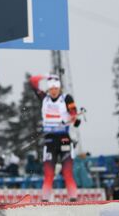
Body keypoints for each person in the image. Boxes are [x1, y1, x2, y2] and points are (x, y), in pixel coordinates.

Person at [29, 74, 81, 202]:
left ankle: (73, 198)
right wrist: (46, 76)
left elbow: (74, 113)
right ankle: (45, 199)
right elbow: (33, 81)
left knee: (67, 172)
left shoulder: (66, 98)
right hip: (49, 139)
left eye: (55, 88)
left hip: (64, 138)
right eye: (51, 88)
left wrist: (73, 117)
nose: (53, 91)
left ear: (59, 88)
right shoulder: (43, 98)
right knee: (48, 173)